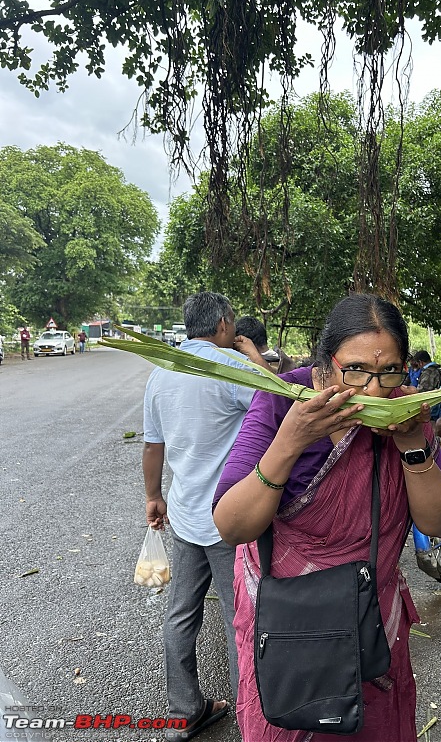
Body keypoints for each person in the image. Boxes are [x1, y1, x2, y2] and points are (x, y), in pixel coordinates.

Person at [213, 293, 441, 742]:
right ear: (324, 365)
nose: (373, 389)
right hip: (291, 632)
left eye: (388, 371)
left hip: (369, 627)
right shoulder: (280, 404)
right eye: (356, 371)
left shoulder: (405, 411)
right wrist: (290, 441)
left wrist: (411, 445)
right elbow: (232, 525)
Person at [142, 292, 256, 741]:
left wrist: (153, 496)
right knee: (238, 618)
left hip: (186, 516)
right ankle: (250, 716)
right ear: (226, 323)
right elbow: (283, 409)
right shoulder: (230, 368)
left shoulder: (160, 372)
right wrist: (254, 357)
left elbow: (153, 446)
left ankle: (183, 713)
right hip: (229, 519)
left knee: (180, 614)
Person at [412, 350, 441, 420]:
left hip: (434, 406)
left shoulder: (428, 372)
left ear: (420, 362)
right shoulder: (440, 369)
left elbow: (422, 391)